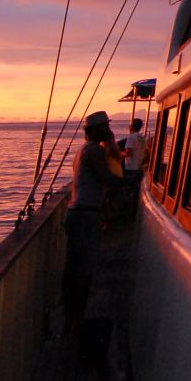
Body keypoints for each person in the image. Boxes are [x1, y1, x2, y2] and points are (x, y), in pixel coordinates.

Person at [61, 110, 123, 339]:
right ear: (96, 130)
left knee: (74, 268)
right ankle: (76, 320)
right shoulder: (94, 150)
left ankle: (73, 318)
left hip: (78, 213)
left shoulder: (82, 151)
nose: (109, 131)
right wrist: (131, 181)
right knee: (83, 270)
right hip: (85, 216)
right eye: (106, 127)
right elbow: (106, 178)